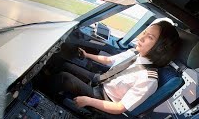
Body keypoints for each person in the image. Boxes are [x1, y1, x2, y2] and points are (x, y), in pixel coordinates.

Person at [48, 21, 180, 114]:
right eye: (144, 32)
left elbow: (119, 108)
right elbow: (108, 60)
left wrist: (88, 101)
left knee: (64, 79)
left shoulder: (148, 79)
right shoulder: (134, 53)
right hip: (101, 80)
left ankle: (45, 94)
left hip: (104, 98)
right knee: (65, 64)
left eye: (149, 37)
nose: (142, 37)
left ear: (161, 48)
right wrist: (87, 55)